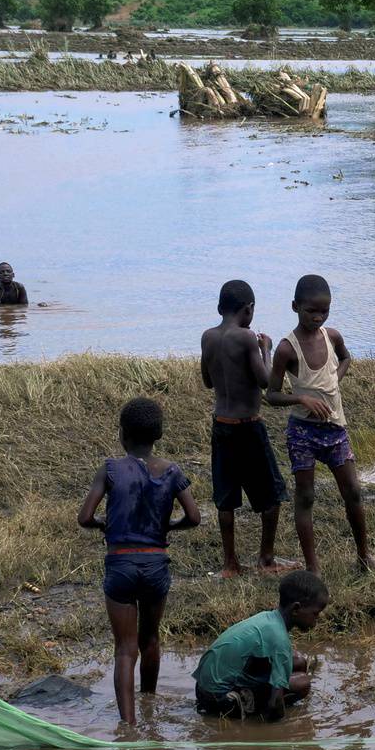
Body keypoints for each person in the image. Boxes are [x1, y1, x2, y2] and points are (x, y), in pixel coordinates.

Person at [77, 397, 202, 725]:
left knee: (124, 648)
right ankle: (149, 706)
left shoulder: (110, 469)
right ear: (158, 435)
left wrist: (105, 525)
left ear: (122, 434)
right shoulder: (172, 471)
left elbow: (85, 517)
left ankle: (129, 726)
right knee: (150, 639)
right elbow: (194, 517)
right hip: (155, 565)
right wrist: (170, 526)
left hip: (120, 565)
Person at [266, 274, 375, 574]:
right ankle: (313, 567)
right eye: (310, 311)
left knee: (352, 491)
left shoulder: (333, 336)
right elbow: (271, 395)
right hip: (302, 433)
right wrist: (302, 400)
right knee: (306, 496)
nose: (317, 317)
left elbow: (346, 359)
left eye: (323, 311)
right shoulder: (287, 349)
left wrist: (333, 382)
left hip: (335, 429)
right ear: (294, 307)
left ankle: (364, 556)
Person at [200, 279, 288, 577]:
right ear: (248, 309)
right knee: (272, 494)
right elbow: (265, 381)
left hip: (221, 424)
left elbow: (207, 381)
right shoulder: (248, 338)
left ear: (219, 308)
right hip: (248, 426)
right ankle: (265, 558)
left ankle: (230, 564)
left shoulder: (208, 337)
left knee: (225, 497)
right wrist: (267, 349)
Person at [192, 570, 325, 719]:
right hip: (218, 699)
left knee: (298, 661)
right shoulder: (280, 640)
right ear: (296, 609)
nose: (317, 619)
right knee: (303, 683)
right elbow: (275, 704)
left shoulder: (267, 618)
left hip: (203, 687)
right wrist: (281, 731)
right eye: (315, 614)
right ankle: (242, 703)